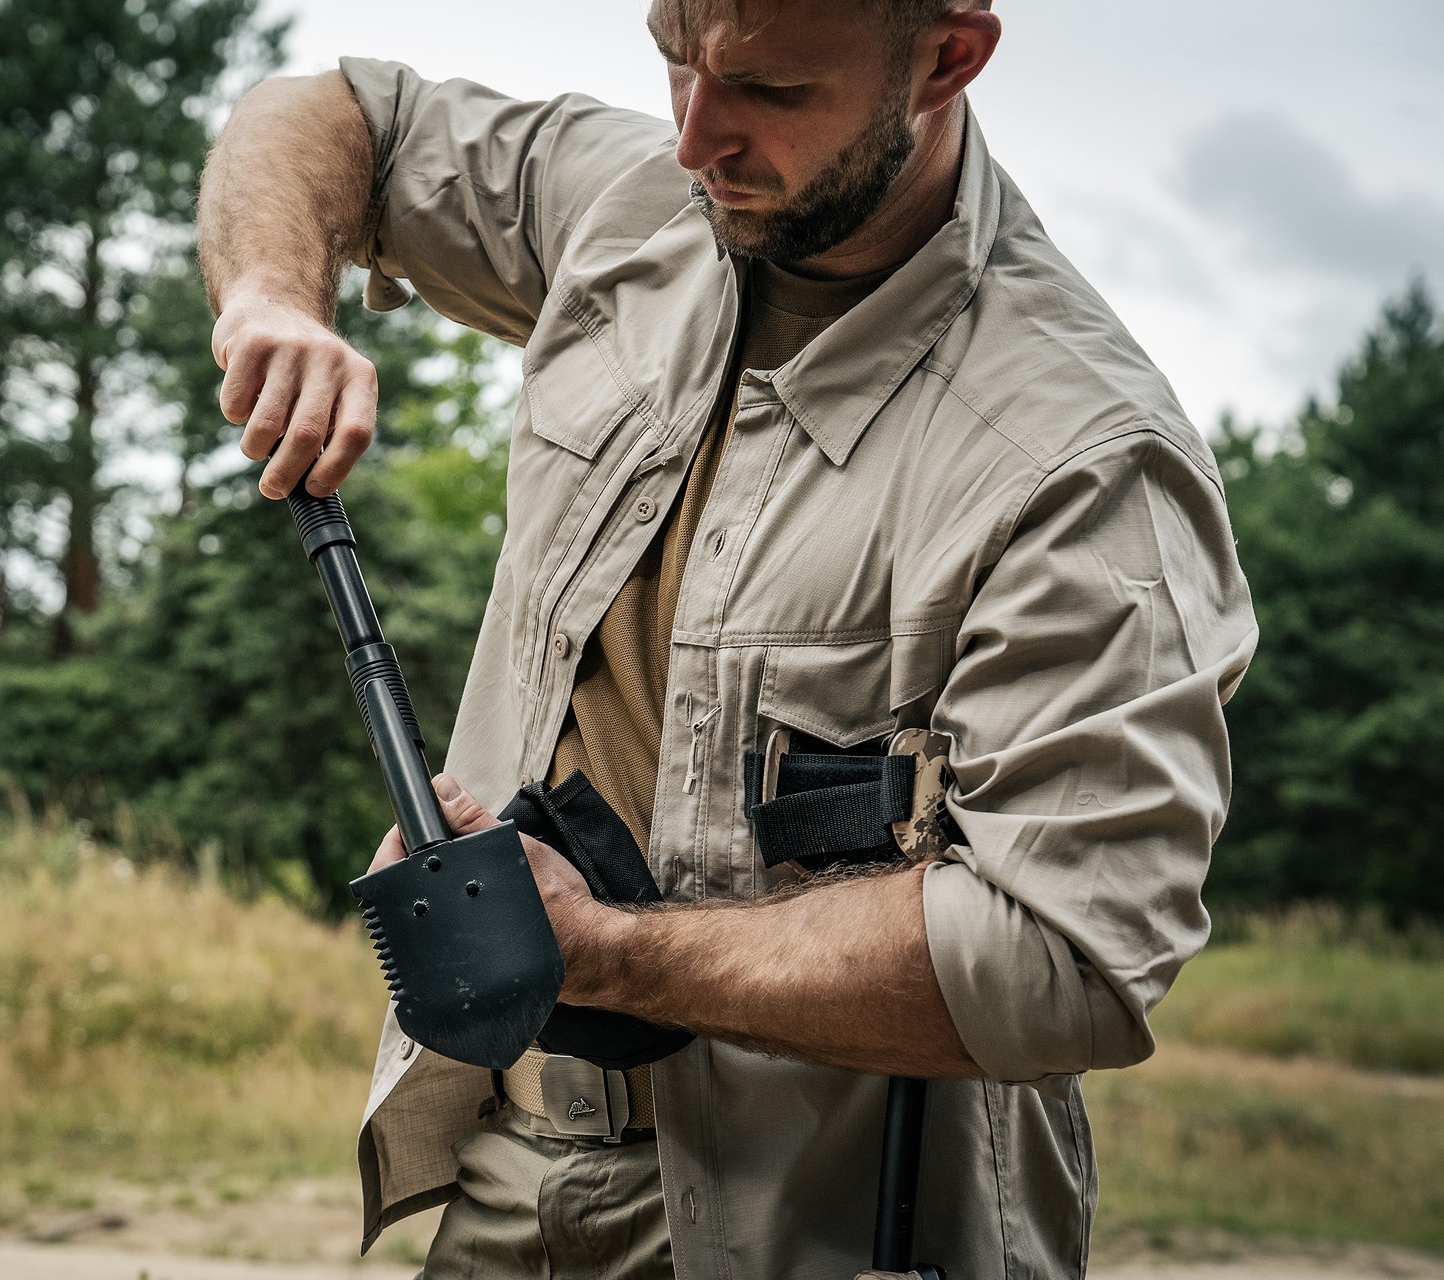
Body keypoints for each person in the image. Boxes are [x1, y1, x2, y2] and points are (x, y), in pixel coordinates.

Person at [197, 0, 1259, 1276]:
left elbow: (1066, 954)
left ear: (947, 57)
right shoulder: (638, 203)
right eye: (671, 55)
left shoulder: (1088, 462)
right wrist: (270, 298)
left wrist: (610, 953)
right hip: (502, 1167)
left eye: (767, 87)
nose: (697, 134)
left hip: (812, 1220)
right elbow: (338, 116)